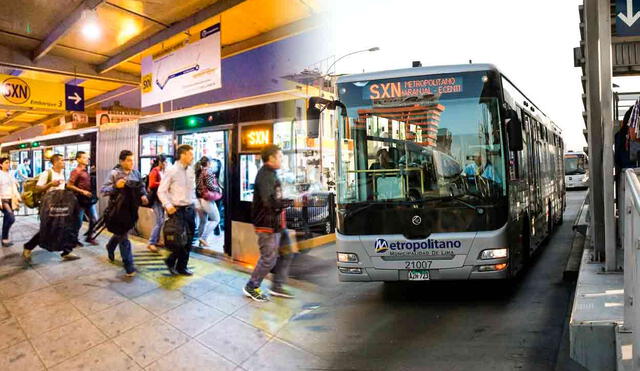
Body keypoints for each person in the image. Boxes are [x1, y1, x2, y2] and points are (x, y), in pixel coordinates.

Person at [244, 144, 296, 302]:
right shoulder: (265, 175)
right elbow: (269, 202)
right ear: (272, 158)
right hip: (267, 225)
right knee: (269, 259)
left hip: (277, 223)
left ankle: (277, 286)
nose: (282, 159)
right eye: (280, 156)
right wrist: (290, 202)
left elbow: (275, 198)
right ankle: (251, 286)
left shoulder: (272, 174)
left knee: (287, 252)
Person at [101, 150, 149, 277]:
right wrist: (116, 186)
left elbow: (141, 187)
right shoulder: (114, 174)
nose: (132, 163)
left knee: (121, 233)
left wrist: (143, 195)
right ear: (121, 161)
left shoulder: (136, 173)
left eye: (133, 160)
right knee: (124, 237)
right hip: (117, 210)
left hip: (131, 210)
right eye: (128, 160)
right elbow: (103, 190)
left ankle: (110, 246)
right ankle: (129, 265)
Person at [23, 154, 78, 261]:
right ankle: (28, 247)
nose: (64, 162)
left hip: (60, 206)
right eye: (62, 160)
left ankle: (67, 251)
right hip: (48, 207)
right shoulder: (47, 173)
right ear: (56, 162)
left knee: (64, 228)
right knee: (46, 230)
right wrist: (50, 184)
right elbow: (38, 188)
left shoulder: (61, 174)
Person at [157, 144, 197, 276]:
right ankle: (170, 260)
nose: (192, 156)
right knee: (178, 240)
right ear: (183, 155)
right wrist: (168, 206)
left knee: (189, 240)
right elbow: (161, 191)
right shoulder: (171, 170)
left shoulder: (191, 170)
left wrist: (194, 203)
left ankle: (182, 267)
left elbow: (192, 190)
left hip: (190, 210)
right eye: (190, 154)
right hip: (177, 211)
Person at [66, 151, 98, 246]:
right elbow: (69, 185)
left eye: (87, 157)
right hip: (79, 200)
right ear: (78, 159)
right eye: (84, 158)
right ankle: (73, 240)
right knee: (78, 222)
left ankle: (89, 237)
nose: (87, 159)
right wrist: (82, 191)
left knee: (94, 219)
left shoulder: (85, 171)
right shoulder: (76, 171)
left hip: (88, 200)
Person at [195, 156, 222, 247]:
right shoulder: (208, 171)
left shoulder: (200, 172)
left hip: (199, 200)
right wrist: (218, 188)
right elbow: (210, 185)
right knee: (216, 219)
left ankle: (198, 241)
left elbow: (198, 186)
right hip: (207, 199)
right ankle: (203, 238)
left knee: (203, 221)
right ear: (208, 163)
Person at [147, 155, 167, 253]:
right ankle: (151, 243)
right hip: (155, 199)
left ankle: (158, 240)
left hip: (162, 199)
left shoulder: (163, 171)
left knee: (161, 221)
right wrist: (162, 183)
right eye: (165, 162)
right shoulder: (154, 171)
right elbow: (151, 184)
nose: (166, 164)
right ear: (160, 162)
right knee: (159, 221)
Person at [0, 157, 20, 247]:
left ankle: (4, 238)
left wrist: (18, 196)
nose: (8, 164)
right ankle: (4, 237)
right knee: (11, 218)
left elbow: (14, 186)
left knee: (7, 218)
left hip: (11, 199)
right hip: (3, 200)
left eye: (9, 162)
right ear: (1, 164)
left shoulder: (10, 174)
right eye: (6, 162)